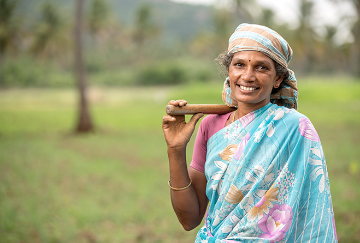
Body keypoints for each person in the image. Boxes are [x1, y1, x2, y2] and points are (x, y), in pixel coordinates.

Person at [162, 23, 337, 242]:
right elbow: (189, 219)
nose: (248, 76)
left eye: (262, 67)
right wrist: (175, 150)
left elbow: (310, 210)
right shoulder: (210, 126)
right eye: (239, 65)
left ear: (278, 79)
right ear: (229, 70)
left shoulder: (295, 127)